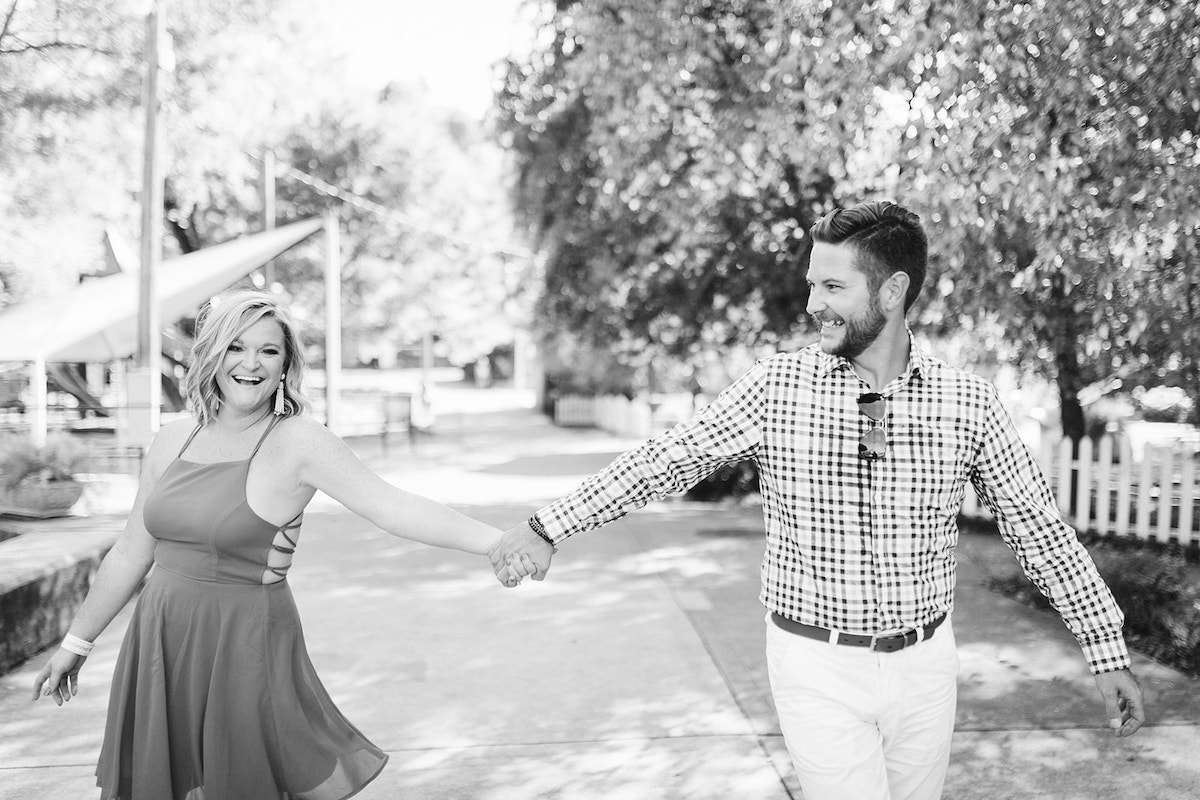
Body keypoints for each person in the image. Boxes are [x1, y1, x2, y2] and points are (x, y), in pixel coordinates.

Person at [489, 201, 1146, 800]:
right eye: (812, 284)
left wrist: (1105, 648)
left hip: (926, 666)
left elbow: (1038, 529)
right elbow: (668, 459)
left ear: (892, 292)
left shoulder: (966, 402)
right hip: (816, 662)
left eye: (833, 287)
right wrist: (549, 525)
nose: (812, 304)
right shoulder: (777, 387)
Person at [31, 290, 530, 800]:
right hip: (160, 637)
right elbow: (131, 553)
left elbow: (393, 507)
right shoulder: (172, 439)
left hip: (244, 642)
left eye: (268, 351)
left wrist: (500, 541)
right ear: (211, 355)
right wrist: (77, 643)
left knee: (241, 781)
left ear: (287, 365)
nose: (251, 363)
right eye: (235, 347)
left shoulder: (298, 441)